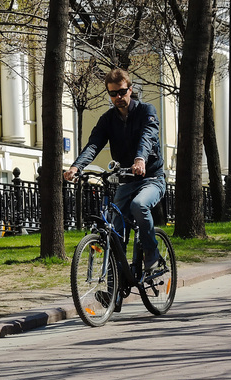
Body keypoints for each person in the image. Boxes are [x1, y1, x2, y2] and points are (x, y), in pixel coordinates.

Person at [64, 68, 165, 273]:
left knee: (139, 205)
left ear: (130, 89)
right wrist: (76, 166)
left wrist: (140, 160)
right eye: (113, 94)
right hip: (125, 182)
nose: (118, 97)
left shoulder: (147, 111)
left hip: (151, 178)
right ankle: (112, 286)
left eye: (122, 92)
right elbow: (93, 145)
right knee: (114, 230)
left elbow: (148, 137)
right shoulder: (107, 119)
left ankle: (151, 252)